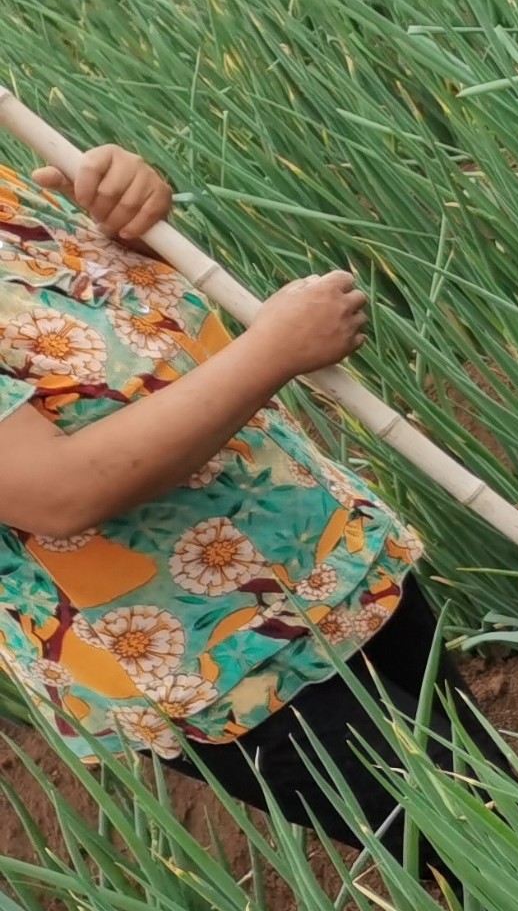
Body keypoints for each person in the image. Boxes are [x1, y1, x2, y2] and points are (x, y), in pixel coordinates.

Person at [0, 143, 472, 851]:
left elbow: (111, 346)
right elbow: (55, 493)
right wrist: (273, 351)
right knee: (499, 857)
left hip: (322, 553)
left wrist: (125, 227)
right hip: (217, 659)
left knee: (502, 808)